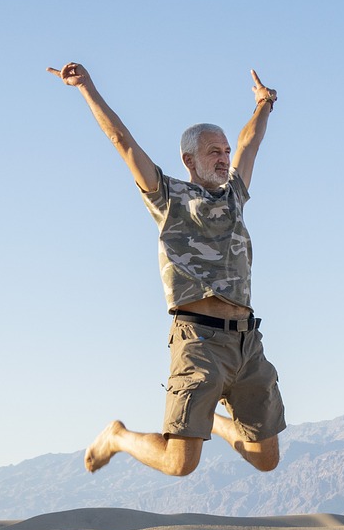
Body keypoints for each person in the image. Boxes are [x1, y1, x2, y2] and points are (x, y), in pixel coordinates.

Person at [47, 61, 286, 477]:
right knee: (180, 464)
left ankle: (210, 419)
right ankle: (117, 436)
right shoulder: (167, 197)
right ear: (189, 159)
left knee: (266, 459)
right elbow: (121, 141)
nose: (225, 158)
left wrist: (264, 104)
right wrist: (86, 86)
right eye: (215, 152)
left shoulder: (235, 195)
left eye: (226, 151)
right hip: (199, 340)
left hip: (247, 343)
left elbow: (251, 144)